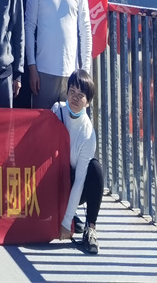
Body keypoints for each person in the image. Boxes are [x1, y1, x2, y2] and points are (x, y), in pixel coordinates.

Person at [55, 69, 102, 255]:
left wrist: (66, 224)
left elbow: (80, 180)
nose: (75, 98)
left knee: (95, 169)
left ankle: (90, 228)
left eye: (81, 95)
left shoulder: (88, 134)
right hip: (52, 179)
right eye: (72, 91)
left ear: (88, 102)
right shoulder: (56, 110)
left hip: (73, 183)